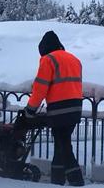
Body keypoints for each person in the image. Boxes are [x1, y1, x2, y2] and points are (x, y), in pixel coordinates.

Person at [25, 31, 84, 186]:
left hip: (59, 109)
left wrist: (30, 110)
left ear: (44, 49)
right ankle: (56, 181)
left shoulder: (48, 59)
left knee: (64, 147)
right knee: (61, 144)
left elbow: (40, 88)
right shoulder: (74, 59)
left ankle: (77, 181)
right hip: (76, 107)